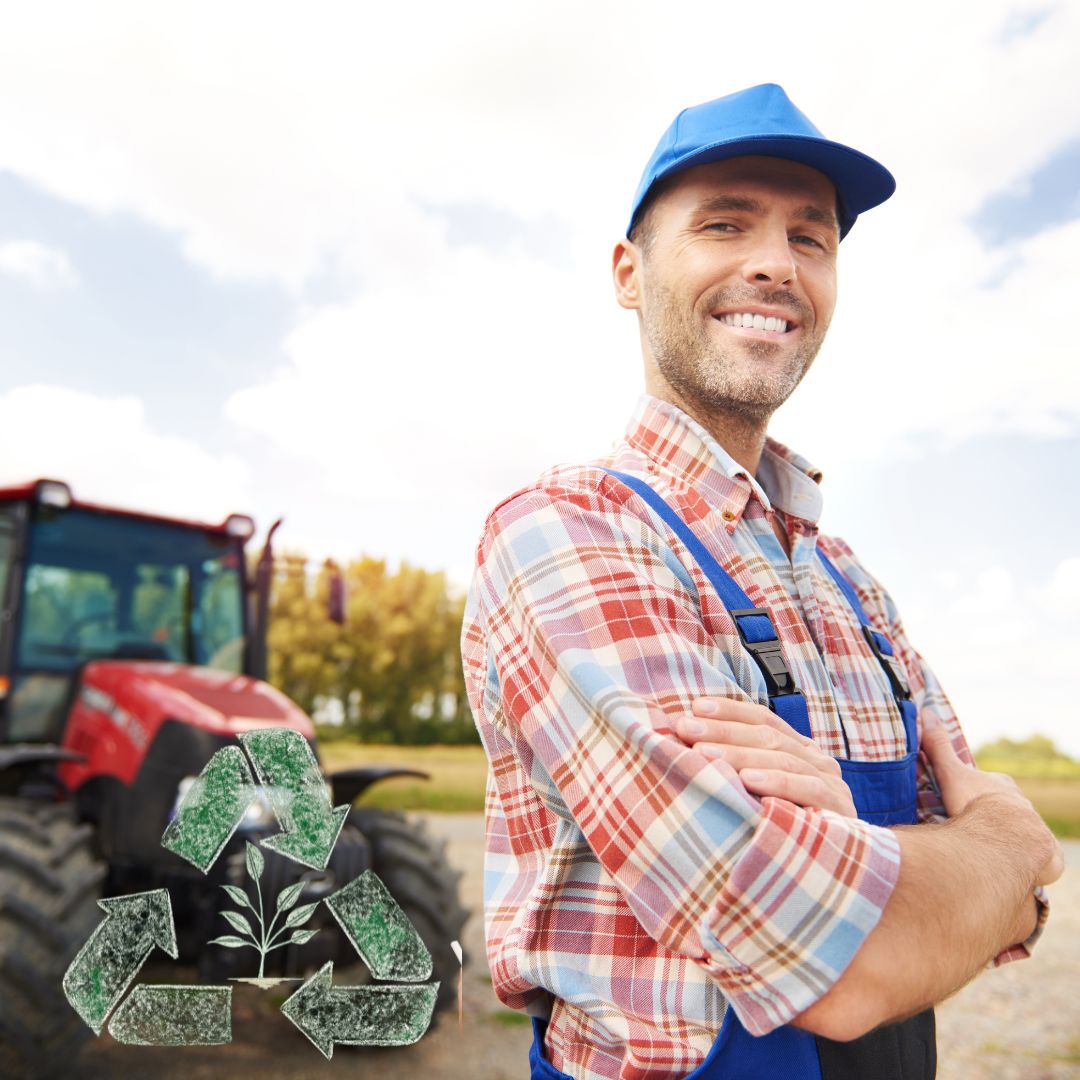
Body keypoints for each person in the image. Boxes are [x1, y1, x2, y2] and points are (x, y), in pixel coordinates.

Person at [461, 84, 1062, 1080]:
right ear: (629, 271)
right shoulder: (567, 536)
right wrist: (996, 843)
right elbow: (849, 963)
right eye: (725, 223)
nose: (775, 264)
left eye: (810, 238)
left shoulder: (850, 584)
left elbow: (1017, 916)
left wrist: (897, 853)